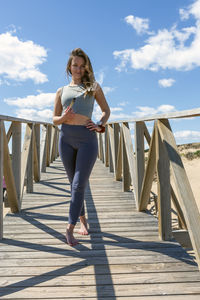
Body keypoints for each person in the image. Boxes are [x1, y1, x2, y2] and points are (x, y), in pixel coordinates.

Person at [53, 48, 110, 246]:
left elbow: (106, 110)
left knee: (78, 185)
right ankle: (83, 221)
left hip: (87, 139)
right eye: (74, 65)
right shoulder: (61, 91)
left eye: (81, 65)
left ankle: (69, 229)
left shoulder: (93, 86)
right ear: (69, 67)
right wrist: (63, 118)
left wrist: (99, 124)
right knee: (74, 185)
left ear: (86, 67)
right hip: (66, 140)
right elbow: (54, 119)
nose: (78, 69)